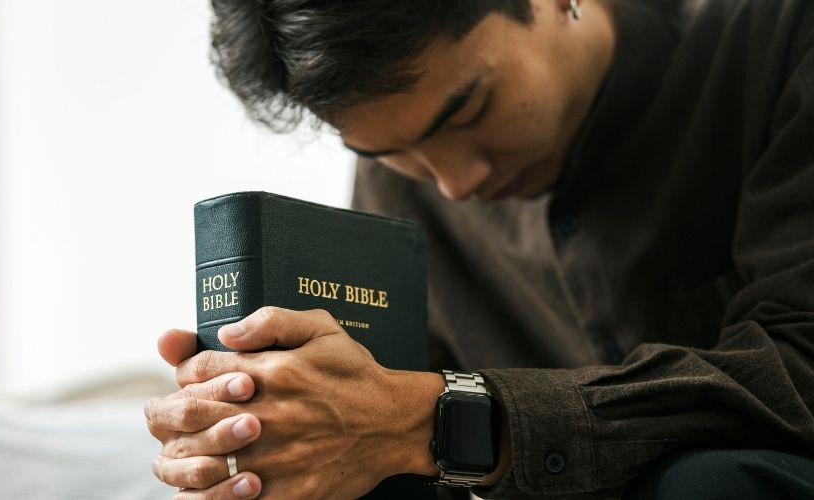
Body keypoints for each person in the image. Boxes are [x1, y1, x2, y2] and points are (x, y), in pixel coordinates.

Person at [146, 0, 814, 498]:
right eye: (389, 151)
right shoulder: (397, 178)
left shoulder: (780, 39)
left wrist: (444, 420)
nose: (455, 184)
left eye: (469, 111)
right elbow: (376, 427)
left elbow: (800, 371)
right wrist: (262, 430)